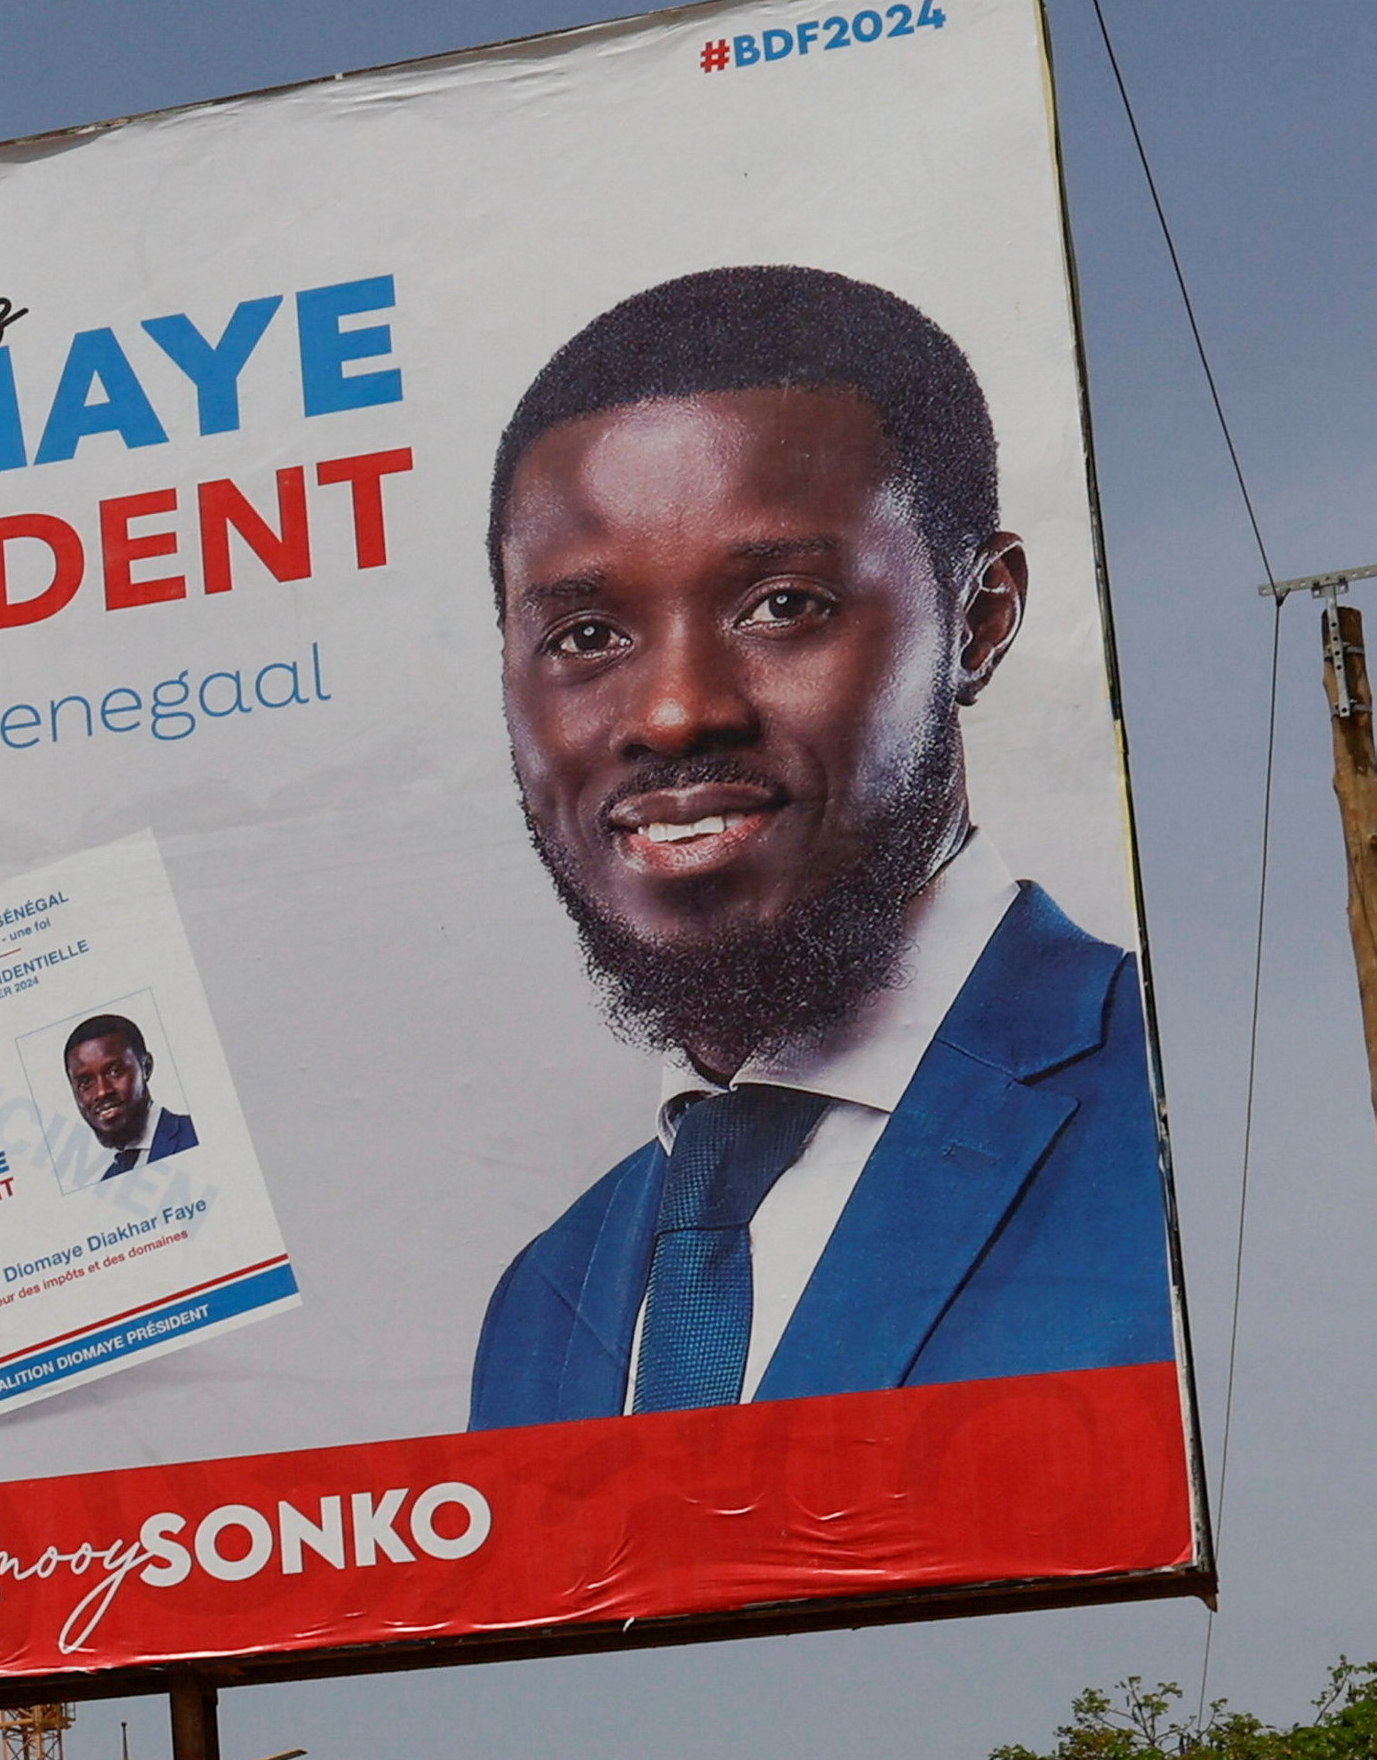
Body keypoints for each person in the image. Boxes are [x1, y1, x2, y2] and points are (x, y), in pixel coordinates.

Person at [466, 267, 1167, 1429]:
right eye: (586, 634)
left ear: (980, 616)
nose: (676, 712)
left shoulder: (1170, 1113)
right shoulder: (541, 1308)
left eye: (782, 605)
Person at [62, 1016, 196, 1180]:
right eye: (85, 1082)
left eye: (115, 1071)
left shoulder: (195, 1134)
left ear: (146, 1068)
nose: (102, 1091)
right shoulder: (109, 1179)